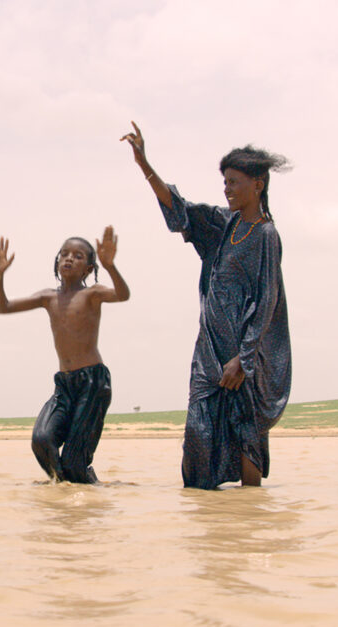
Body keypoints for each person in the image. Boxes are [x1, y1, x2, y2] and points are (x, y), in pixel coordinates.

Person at [121, 122, 293, 490]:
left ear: (257, 184)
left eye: (234, 182)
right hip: (209, 353)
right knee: (198, 435)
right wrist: (144, 164)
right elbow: (179, 208)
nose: (226, 188)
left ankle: (249, 509)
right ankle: (207, 511)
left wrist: (244, 359)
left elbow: (268, 300)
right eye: (225, 182)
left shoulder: (266, 235)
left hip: (243, 357)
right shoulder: (222, 224)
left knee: (246, 433)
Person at [0, 226, 129, 483]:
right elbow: (4, 307)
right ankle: (67, 488)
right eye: (64, 254)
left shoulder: (92, 293)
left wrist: (110, 266)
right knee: (42, 440)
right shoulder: (48, 297)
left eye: (78, 256)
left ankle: (80, 481)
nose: (69, 258)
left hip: (93, 383)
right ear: (56, 261)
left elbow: (123, 295)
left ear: (88, 268)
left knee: (75, 462)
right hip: (64, 384)